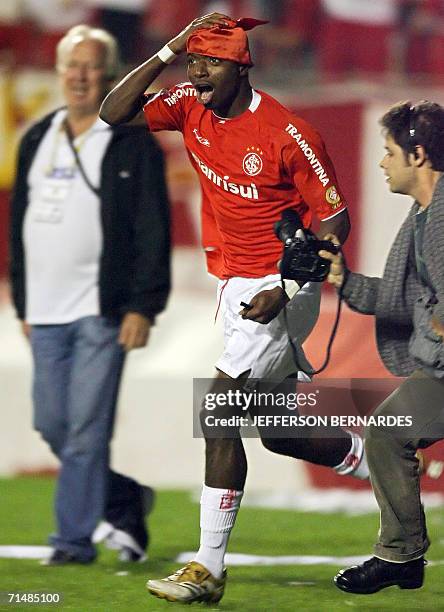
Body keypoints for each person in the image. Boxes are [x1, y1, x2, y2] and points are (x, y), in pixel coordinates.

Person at [100, 12, 369, 603]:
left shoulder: (286, 132)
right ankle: (374, 456)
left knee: (220, 408)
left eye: (210, 61)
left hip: (279, 286)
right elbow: (111, 111)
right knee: (275, 430)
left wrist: (293, 290)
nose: (197, 71)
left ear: (241, 67)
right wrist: (171, 46)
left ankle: (208, 568)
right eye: (193, 59)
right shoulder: (188, 103)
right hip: (232, 286)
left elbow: (335, 221)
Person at [9, 24, 171, 565]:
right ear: (58, 74)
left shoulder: (130, 139)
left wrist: (142, 305)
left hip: (102, 310)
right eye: (71, 66)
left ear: (111, 74)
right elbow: (19, 226)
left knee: (84, 431)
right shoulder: (37, 136)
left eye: (91, 66)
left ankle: (72, 543)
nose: (79, 76)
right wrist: (25, 303)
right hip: (46, 312)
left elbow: (153, 226)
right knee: (53, 425)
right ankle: (125, 497)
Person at [320, 100, 444, 594]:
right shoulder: (424, 216)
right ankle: (401, 555)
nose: (381, 162)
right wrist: (344, 280)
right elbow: (405, 300)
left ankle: (402, 554)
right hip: (438, 370)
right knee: (386, 433)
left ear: (417, 155)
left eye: (388, 151)